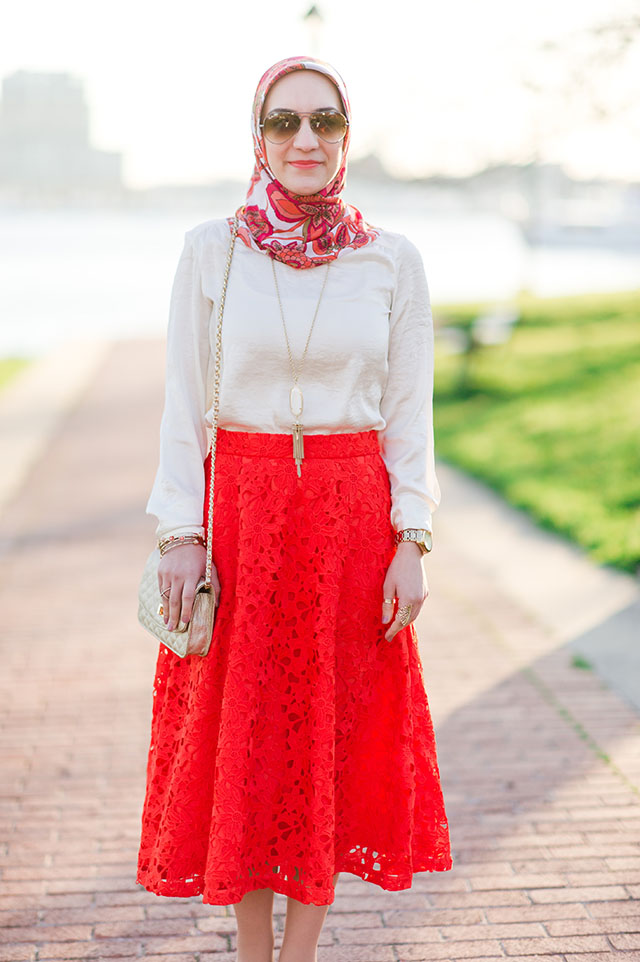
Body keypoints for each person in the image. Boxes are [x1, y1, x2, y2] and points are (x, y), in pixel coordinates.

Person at [137, 54, 452, 962]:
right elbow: (182, 400)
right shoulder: (211, 248)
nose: (305, 140)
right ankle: (251, 950)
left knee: (331, 737)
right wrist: (180, 531)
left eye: (323, 123)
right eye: (285, 123)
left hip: (353, 522)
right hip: (239, 513)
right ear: (259, 137)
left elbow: (408, 414)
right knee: (248, 737)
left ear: (347, 138)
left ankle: (302, 950)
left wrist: (412, 537)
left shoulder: (392, 259)